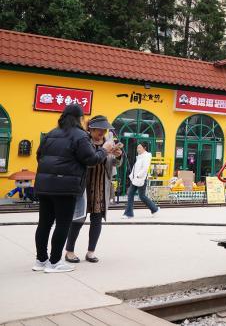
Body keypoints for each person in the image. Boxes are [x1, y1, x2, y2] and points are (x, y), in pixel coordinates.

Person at [33, 104, 115, 273]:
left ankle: (41, 260)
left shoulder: (51, 133)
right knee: (62, 224)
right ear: (80, 119)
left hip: (44, 186)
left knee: (44, 224)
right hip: (65, 187)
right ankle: (54, 262)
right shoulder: (80, 136)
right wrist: (105, 151)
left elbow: (39, 156)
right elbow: (91, 159)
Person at [64, 116, 122, 263]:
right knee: (78, 219)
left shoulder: (108, 143)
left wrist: (118, 156)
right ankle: (69, 251)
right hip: (83, 186)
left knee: (97, 220)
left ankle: (91, 252)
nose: (102, 132)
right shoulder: (84, 142)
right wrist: (103, 151)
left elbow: (114, 164)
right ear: (91, 128)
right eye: (99, 129)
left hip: (100, 186)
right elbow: (83, 161)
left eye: (104, 129)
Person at [122, 143, 159, 218]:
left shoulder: (146, 156)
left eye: (139, 147)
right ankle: (129, 213)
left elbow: (145, 168)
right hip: (136, 179)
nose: (138, 149)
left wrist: (138, 175)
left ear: (144, 148)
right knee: (132, 194)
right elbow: (136, 168)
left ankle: (154, 209)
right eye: (137, 148)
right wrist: (132, 176)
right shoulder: (140, 157)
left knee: (141, 196)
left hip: (141, 179)